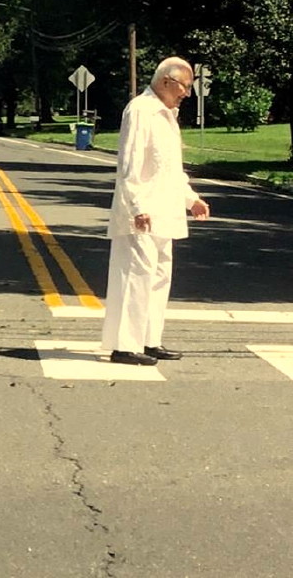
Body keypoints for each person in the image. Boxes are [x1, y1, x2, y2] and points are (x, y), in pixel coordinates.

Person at [102, 56, 210, 366]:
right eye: (184, 86)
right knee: (136, 275)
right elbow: (130, 165)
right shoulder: (141, 111)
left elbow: (169, 168)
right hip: (142, 211)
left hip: (165, 212)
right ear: (165, 81)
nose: (186, 93)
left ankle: (150, 339)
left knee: (159, 276)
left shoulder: (167, 115)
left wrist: (191, 199)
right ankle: (125, 345)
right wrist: (136, 206)